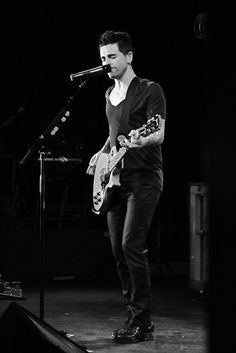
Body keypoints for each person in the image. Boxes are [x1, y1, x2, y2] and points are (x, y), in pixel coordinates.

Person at [86, 29, 166, 344]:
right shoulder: (108, 94)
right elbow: (114, 132)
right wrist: (103, 152)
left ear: (128, 56)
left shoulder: (149, 89)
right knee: (119, 251)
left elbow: (158, 131)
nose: (107, 63)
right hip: (115, 180)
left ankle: (143, 323)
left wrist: (141, 138)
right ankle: (133, 317)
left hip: (145, 176)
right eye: (103, 58)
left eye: (112, 56)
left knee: (132, 244)